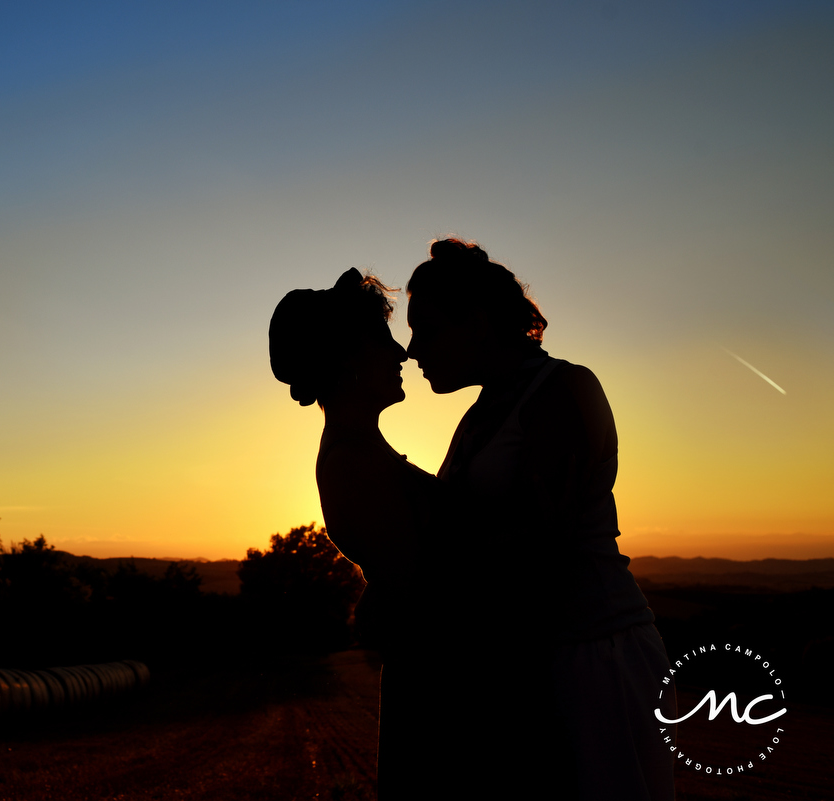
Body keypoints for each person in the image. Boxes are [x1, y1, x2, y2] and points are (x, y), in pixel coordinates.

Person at [405, 237, 675, 801]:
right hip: (529, 659)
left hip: (597, 656)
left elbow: (535, 545)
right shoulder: (480, 414)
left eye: (425, 328)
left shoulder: (567, 388)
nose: (411, 350)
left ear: (477, 322)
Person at [269, 268, 449, 797]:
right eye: (383, 338)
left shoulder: (364, 454)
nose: (400, 354)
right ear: (348, 356)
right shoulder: (352, 464)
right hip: (441, 701)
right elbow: (432, 602)